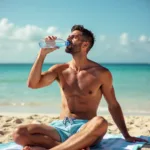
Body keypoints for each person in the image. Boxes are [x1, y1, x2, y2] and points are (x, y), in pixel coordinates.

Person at [13, 25, 147, 150]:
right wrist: (41, 55)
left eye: (74, 37)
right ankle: (67, 147)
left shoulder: (101, 73)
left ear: (85, 44)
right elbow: (33, 84)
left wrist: (126, 135)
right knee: (19, 134)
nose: (68, 39)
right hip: (61, 127)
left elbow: (113, 105)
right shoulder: (60, 69)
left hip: (86, 129)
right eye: (69, 36)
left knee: (101, 122)